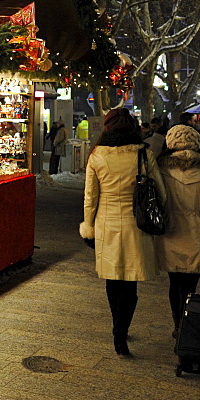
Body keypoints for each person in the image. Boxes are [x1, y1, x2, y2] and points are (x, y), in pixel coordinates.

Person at [80, 108, 166, 357]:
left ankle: (118, 329)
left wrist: (89, 226)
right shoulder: (143, 154)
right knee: (130, 284)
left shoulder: (97, 155)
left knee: (112, 279)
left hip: (107, 224)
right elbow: (160, 192)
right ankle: (122, 330)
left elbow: (90, 197)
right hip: (136, 225)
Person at [154, 125, 200, 339]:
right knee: (190, 286)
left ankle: (177, 323)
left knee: (174, 282)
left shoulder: (162, 169)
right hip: (196, 235)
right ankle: (187, 323)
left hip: (170, 232)